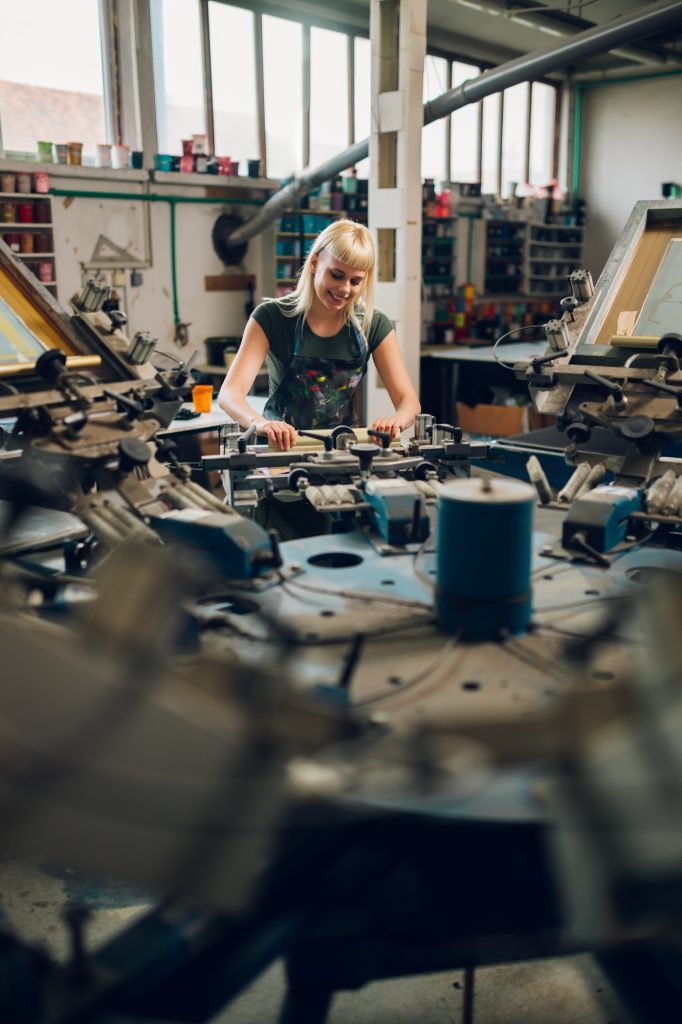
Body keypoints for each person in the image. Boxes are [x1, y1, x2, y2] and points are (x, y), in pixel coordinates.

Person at [218, 219, 420, 450]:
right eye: (336, 275)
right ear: (314, 263)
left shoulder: (373, 325)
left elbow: (409, 401)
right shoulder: (272, 317)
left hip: (342, 450)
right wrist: (260, 423)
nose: (345, 289)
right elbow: (230, 394)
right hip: (279, 449)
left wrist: (396, 421)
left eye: (355, 281)